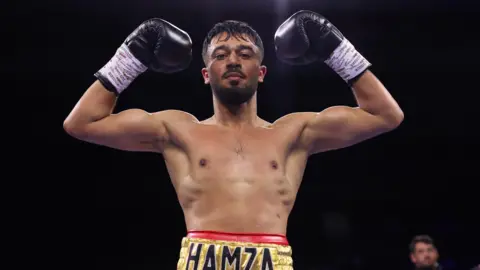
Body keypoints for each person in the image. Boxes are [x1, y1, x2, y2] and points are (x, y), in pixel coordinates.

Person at [64, 10, 404, 269]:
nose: (232, 61)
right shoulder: (179, 130)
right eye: (220, 55)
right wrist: (131, 57)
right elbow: (82, 123)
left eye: (244, 54)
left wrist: (336, 48)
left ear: (261, 72)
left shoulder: (293, 133)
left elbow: (385, 115)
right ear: (205, 74)